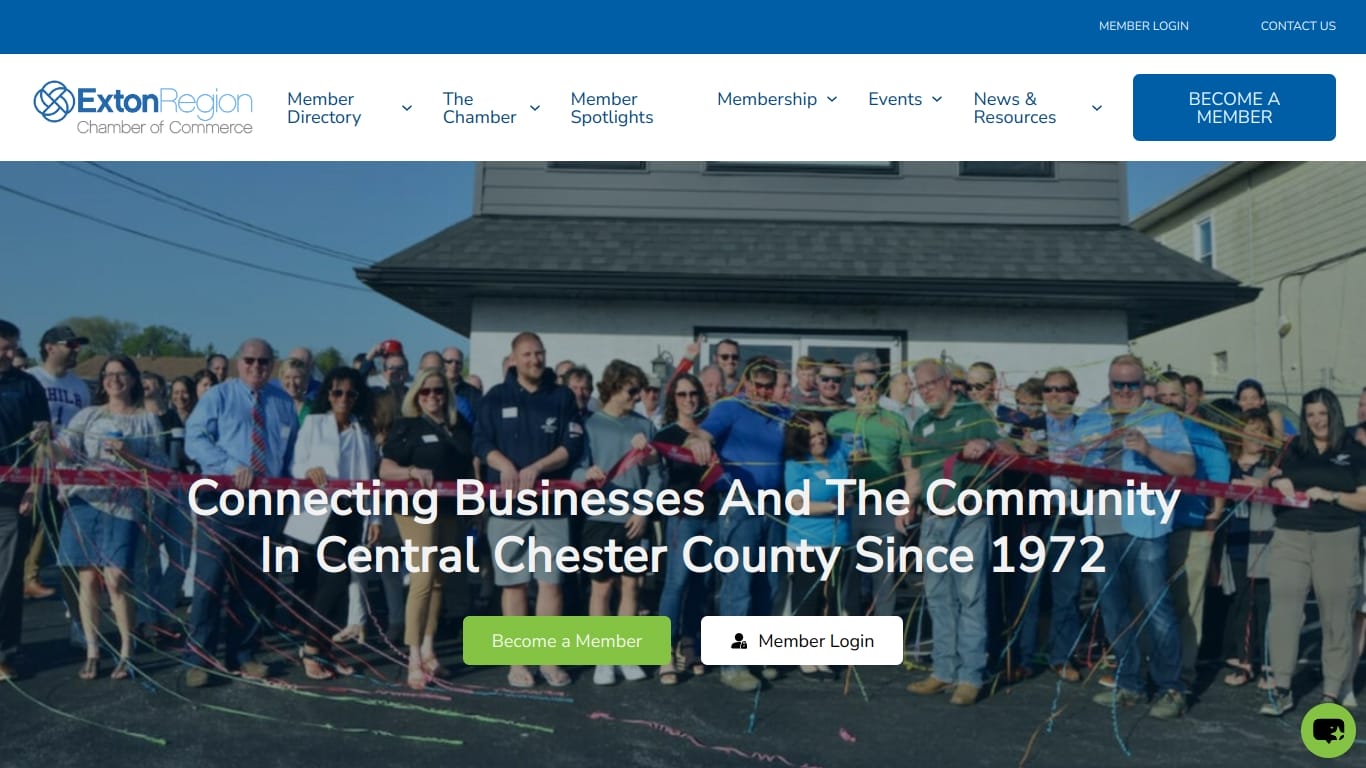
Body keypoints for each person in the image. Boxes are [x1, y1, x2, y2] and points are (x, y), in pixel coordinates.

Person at [1076, 354, 1193, 720]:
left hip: (1147, 526)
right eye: (1118, 384)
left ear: (1144, 385)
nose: (1125, 391)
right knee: (1114, 612)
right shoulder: (1089, 419)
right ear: (1109, 383)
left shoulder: (1163, 418)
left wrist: (1148, 450)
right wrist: (1084, 476)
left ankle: (1171, 687)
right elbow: (1075, 472)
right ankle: (1129, 684)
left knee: (1158, 611)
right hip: (1101, 526)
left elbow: (1187, 467)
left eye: (1132, 384)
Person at [183, 338, 299, 688]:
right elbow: (194, 439)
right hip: (221, 502)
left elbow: (291, 454)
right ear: (239, 362)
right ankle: (199, 659)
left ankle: (243, 654)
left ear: (272, 364)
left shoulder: (283, 401)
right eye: (250, 360)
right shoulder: (218, 396)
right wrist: (229, 467)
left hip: (266, 507)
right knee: (209, 584)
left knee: (255, 586)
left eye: (263, 361)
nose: (256, 367)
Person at [473, 332, 584, 689]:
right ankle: (519, 660)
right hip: (507, 509)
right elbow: (480, 442)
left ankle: (549, 659)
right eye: (527, 354)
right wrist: (503, 464)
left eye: (539, 353)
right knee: (514, 585)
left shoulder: (561, 396)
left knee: (551, 583)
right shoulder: (495, 396)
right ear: (514, 359)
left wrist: (538, 467)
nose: (535, 360)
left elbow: (572, 445)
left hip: (552, 507)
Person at [54, 354, 169, 681]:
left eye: (121, 374)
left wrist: (127, 454)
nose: (114, 379)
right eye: (108, 374)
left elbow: (160, 468)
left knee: (117, 579)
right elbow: (63, 449)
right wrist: (45, 441)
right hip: (84, 502)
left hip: (124, 506)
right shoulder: (87, 416)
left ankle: (127, 651)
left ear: (133, 379)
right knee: (88, 579)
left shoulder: (147, 420)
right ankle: (92, 650)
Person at [904, 359, 1012, 707]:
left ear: (948, 381)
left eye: (931, 383)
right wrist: (907, 504)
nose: (926, 391)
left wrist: (986, 444)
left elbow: (1009, 451)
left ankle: (970, 676)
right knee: (937, 596)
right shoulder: (922, 424)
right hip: (932, 518)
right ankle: (943, 670)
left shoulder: (975, 413)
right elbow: (915, 473)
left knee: (970, 595)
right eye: (920, 387)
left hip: (968, 516)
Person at [685, 356, 790, 692]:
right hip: (739, 503)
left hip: (774, 506)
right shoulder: (730, 408)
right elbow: (699, 434)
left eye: (769, 386)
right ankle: (733, 664)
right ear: (746, 383)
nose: (763, 392)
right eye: (758, 385)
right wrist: (699, 441)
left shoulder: (782, 414)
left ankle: (756, 654)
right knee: (738, 584)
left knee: (769, 584)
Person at [1261, 389, 1366, 716]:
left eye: (1323, 413)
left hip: (1337, 536)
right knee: (1284, 611)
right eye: (1310, 415)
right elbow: (1267, 480)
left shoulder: (1355, 451)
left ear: (1334, 413)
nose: (1317, 421)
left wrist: (1332, 495)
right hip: (1290, 535)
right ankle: (1281, 687)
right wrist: (1276, 483)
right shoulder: (1293, 448)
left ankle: (1331, 692)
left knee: (1336, 615)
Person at [379, 366, 475, 688]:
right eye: (426, 391)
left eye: (438, 391)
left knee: (438, 580)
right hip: (415, 508)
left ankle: (430, 649)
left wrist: (475, 504)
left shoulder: (459, 427)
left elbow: (469, 466)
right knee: (421, 578)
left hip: (449, 508)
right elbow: (385, 468)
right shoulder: (406, 426)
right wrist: (410, 471)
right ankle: (413, 657)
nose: (432, 396)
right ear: (416, 394)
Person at [572, 360, 662, 686]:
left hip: (635, 518)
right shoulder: (589, 424)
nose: (638, 397)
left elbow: (657, 474)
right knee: (602, 587)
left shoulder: (645, 426)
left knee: (631, 586)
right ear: (613, 387)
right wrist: (585, 474)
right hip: (600, 517)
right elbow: (574, 469)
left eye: (640, 390)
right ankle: (603, 657)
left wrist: (644, 509)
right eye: (632, 390)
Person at [291, 367, 380, 680]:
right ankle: (311, 648)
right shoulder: (314, 423)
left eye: (350, 393)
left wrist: (375, 517)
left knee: (339, 586)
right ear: (328, 394)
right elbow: (297, 463)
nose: (343, 398)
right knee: (332, 580)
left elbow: (370, 476)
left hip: (352, 511)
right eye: (337, 392)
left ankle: (324, 648)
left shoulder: (362, 430)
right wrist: (309, 470)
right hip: (319, 510)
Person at [1154, 372, 1229, 690]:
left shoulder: (1205, 436)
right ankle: (1152, 670)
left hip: (1190, 529)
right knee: (1152, 605)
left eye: (1174, 395)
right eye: (1162, 396)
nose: (1168, 401)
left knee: (1187, 606)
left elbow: (1219, 485)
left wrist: (1210, 527)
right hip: (1150, 530)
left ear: (1186, 398)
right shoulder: (1148, 432)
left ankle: (1184, 674)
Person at [827, 368, 914, 617]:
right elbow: (824, 462)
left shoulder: (896, 421)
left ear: (880, 390)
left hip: (884, 505)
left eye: (872, 386)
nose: (867, 392)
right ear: (852, 391)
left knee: (884, 577)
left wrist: (908, 504)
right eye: (861, 387)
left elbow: (910, 467)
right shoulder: (836, 421)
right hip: (848, 506)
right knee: (847, 575)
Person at [654, 373, 715, 684]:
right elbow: (650, 459)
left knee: (702, 584)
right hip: (682, 516)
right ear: (673, 399)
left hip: (712, 515)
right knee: (676, 583)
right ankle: (663, 649)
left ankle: (689, 645)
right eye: (682, 394)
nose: (689, 399)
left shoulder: (712, 429)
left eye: (693, 393)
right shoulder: (666, 433)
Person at [24, 325, 91, 606]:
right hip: (34, 458)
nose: (76, 350)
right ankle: (26, 574)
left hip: (67, 461)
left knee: (54, 521)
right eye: (70, 345)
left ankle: (32, 574)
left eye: (78, 346)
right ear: (49, 347)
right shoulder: (31, 378)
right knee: (32, 516)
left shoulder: (79, 386)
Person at [0, 319, 51, 682]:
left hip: (11, 494)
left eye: (14, 347)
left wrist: (34, 487)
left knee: (6, 578)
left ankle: (4, 652)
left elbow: (43, 441)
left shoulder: (27, 385)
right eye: (4, 346)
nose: (10, 353)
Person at [782, 411, 851, 679]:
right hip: (807, 541)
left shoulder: (837, 455)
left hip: (838, 539)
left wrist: (848, 495)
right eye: (811, 436)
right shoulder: (796, 465)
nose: (819, 439)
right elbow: (797, 504)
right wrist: (833, 507)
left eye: (821, 433)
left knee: (831, 599)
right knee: (808, 599)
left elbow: (848, 483)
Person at [1220, 410, 1276, 690]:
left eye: (1262, 431)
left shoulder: (1272, 468)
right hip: (1237, 543)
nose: (1256, 437)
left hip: (1266, 544)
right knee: (1242, 604)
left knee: (1266, 604)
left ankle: (1268, 664)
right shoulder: (1228, 466)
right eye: (1250, 430)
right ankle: (1243, 662)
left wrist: (1260, 484)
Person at [277, 358, 312, 423]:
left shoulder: (314, 409)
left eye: (296, 377)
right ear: (281, 380)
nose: (292, 383)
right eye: (287, 377)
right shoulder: (274, 408)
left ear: (304, 380)